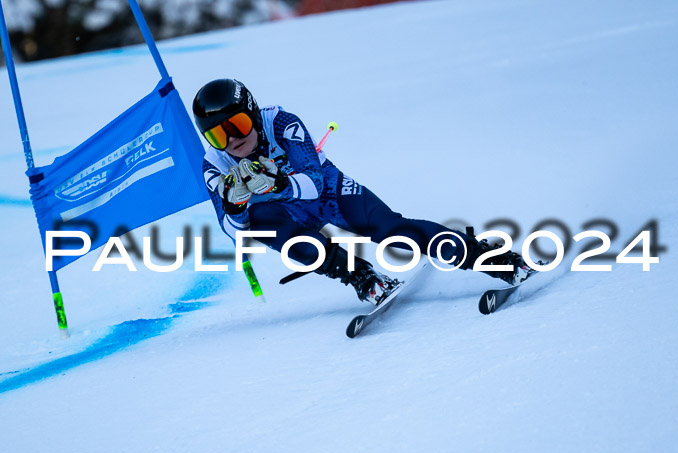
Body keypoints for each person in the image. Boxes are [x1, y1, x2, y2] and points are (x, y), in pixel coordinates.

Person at [192, 78, 530, 304]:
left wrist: (280, 183)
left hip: (325, 191)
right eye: (218, 136)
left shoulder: (280, 122)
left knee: (391, 231)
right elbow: (236, 234)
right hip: (284, 214)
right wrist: (234, 208)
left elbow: (314, 184)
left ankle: (487, 256)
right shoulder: (214, 165)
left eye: (236, 125)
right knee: (261, 221)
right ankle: (357, 274)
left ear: (251, 112)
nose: (233, 141)